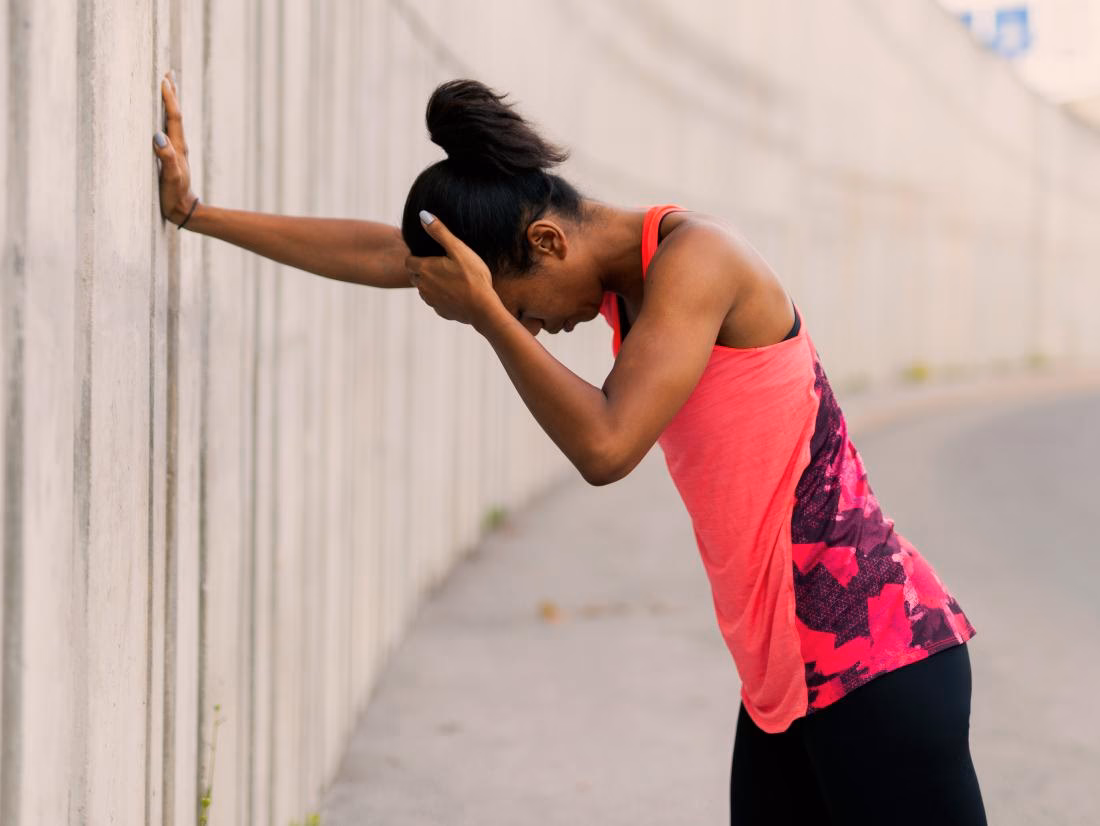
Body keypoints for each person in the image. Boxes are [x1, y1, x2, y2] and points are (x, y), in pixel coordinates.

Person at [153, 71, 988, 825]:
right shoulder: (630, 277)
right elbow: (387, 254)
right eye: (514, 317)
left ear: (548, 243)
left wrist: (488, 319)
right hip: (788, 676)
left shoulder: (700, 262)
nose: (530, 324)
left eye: (521, 304)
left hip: (877, 660)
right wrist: (197, 214)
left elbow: (606, 446)